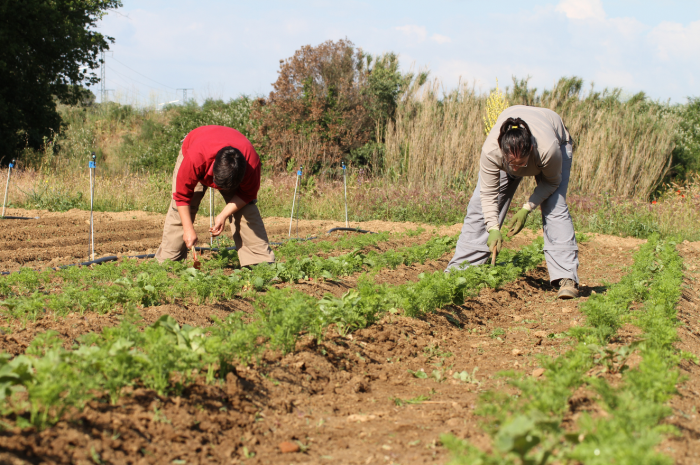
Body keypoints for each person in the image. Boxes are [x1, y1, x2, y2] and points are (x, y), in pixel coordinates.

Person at [445, 105, 579, 299]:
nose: (516, 169)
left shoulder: (547, 150)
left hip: (555, 135)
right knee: (477, 206)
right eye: (511, 164)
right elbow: (488, 194)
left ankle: (567, 278)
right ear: (502, 151)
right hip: (509, 149)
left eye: (521, 164)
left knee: (554, 205)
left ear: (531, 150)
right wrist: (492, 228)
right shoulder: (492, 152)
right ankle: (461, 270)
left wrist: (527, 207)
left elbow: (552, 182)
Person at [154, 125, 275, 267]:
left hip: (231, 163)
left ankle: (261, 264)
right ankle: (168, 262)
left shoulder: (251, 164)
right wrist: (188, 230)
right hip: (197, 149)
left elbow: (247, 194)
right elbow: (181, 196)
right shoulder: (195, 158)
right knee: (182, 211)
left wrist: (223, 215)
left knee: (246, 210)